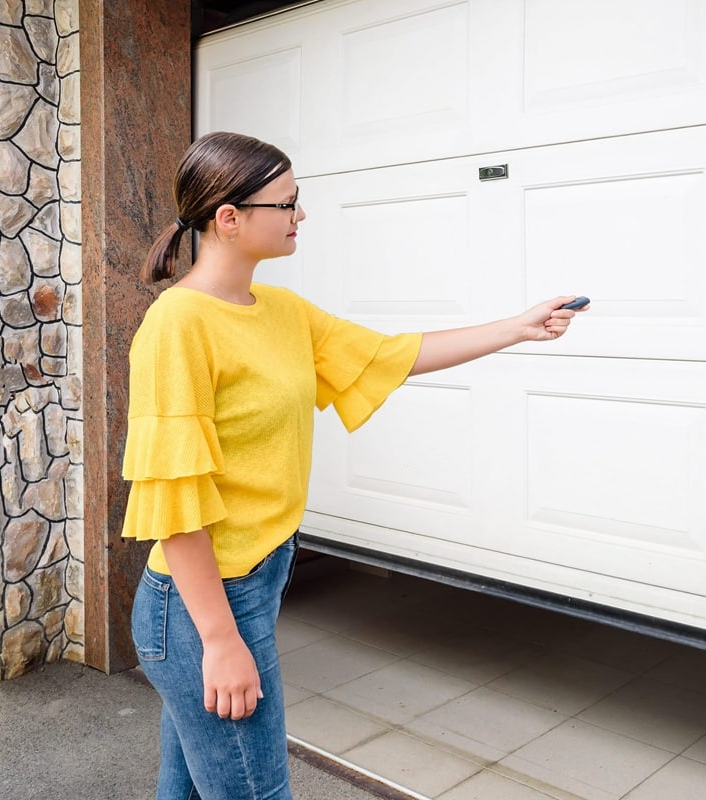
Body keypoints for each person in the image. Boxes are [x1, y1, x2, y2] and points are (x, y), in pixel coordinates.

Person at [120, 130, 587, 800]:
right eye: (288, 203)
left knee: (189, 790)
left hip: (250, 585)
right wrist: (221, 641)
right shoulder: (178, 327)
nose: (300, 215)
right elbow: (173, 499)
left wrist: (516, 327)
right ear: (230, 218)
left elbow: (386, 354)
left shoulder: (280, 311)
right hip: (201, 608)